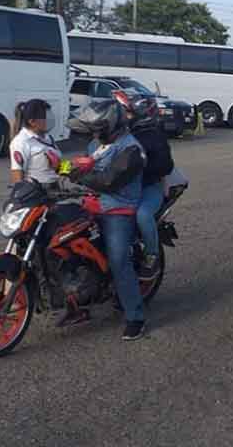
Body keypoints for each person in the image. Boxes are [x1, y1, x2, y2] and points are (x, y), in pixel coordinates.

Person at [66, 100, 149, 340]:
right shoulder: (96, 144)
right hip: (91, 206)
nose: (94, 133)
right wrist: (57, 168)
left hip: (118, 212)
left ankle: (135, 317)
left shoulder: (131, 150)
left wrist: (75, 174)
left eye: (97, 128)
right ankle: (76, 300)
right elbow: (78, 164)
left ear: (110, 125)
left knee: (118, 261)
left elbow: (108, 181)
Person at [115, 91, 175, 281]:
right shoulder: (117, 135)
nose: (125, 117)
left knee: (143, 214)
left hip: (148, 188)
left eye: (129, 114)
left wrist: (138, 168)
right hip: (120, 190)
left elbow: (166, 165)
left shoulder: (154, 135)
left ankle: (152, 256)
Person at [9, 99, 61, 185]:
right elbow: (17, 176)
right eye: (45, 117)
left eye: (50, 115)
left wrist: (74, 166)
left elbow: (56, 168)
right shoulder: (21, 142)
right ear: (32, 121)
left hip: (55, 191)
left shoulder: (48, 138)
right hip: (36, 193)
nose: (50, 119)